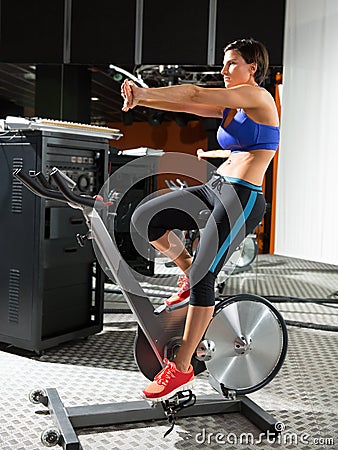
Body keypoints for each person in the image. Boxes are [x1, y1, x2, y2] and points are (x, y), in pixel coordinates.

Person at [120, 38, 280, 401]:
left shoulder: (258, 98)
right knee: (147, 217)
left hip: (242, 197)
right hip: (218, 186)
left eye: (231, 64)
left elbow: (192, 93)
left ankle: (182, 366)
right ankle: (189, 272)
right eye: (223, 65)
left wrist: (145, 90)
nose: (223, 71)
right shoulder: (230, 107)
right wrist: (142, 99)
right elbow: (187, 104)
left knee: (204, 278)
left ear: (252, 68)